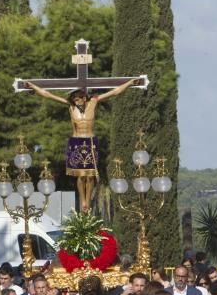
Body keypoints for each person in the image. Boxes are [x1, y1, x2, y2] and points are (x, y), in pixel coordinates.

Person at [23, 77, 140, 212]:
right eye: (74, 98)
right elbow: (48, 95)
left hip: (90, 141)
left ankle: (87, 201)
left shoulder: (94, 102)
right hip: (76, 142)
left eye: (79, 98)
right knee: (80, 176)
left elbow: (115, 92)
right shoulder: (71, 107)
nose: (77, 101)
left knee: (90, 176)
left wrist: (130, 83)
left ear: (84, 98)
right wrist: (33, 86)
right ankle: (83, 199)